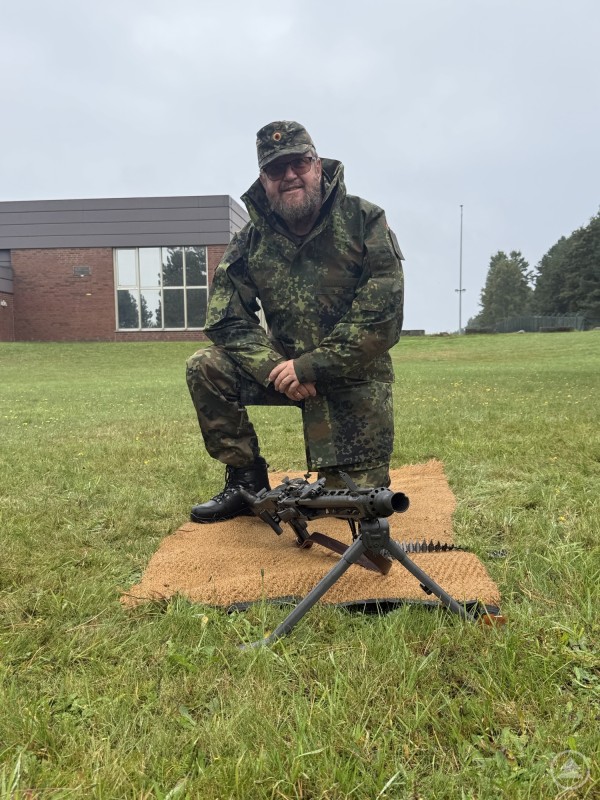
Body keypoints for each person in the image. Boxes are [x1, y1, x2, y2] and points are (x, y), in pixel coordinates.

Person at [186, 120, 404, 523]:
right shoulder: (251, 240)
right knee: (206, 365)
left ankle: (342, 476)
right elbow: (224, 318)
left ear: (317, 165)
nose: (289, 176)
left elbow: (383, 317)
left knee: (353, 506)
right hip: (282, 370)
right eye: (275, 169)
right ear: (263, 179)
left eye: (298, 164)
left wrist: (310, 366)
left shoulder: (364, 220)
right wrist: (275, 368)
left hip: (352, 377)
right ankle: (246, 480)